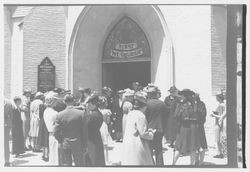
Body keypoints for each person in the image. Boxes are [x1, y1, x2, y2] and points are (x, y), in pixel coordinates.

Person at [54, 94, 88, 166]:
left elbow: (56, 131)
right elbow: (84, 131)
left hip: (65, 142)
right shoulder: (81, 113)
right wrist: (85, 145)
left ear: (64, 102)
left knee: (66, 165)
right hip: (78, 143)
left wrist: (60, 140)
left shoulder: (60, 114)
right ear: (74, 101)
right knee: (79, 164)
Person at [122, 91, 155, 165]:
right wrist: (151, 133)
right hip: (137, 144)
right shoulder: (141, 116)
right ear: (144, 106)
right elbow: (143, 133)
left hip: (128, 142)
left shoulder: (130, 114)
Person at [172, 89, 200, 165]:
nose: (181, 97)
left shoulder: (180, 104)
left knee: (179, 146)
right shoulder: (195, 104)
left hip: (184, 127)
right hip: (192, 127)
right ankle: (192, 165)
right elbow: (198, 116)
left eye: (182, 95)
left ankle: (173, 164)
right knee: (193, 147)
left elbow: (176, 116)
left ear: (185, 96)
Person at [144, 85, 168, 166]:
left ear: (150, 94)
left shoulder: (147, 104)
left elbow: (145, 117)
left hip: (150, 129)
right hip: (160, 129)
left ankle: (150, 165)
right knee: (159, 149)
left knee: (149, 149)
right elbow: (166, 117)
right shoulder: (162, 103)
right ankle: (160, 166)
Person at [86, 93, 105, 166]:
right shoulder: (96, 113)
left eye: (89, 104)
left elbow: (87, 126)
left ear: (93, 104)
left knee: (93, 159)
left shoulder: (93, 115)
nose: (88, 106)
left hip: (91, 139)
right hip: (96, 137)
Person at [43, 91, 60, 165]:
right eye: (56, 100)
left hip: (50, 135)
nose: (57, 102)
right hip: (56, 135)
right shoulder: (55, 113)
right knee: (56, 156)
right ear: (52, 101)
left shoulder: (46, 111)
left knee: (52, 155)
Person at [210, 92, 227, 158]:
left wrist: (213, 114)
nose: (216, 98)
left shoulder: (221, 105)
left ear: (219, 98)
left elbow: (220, 116)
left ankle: (219, 154)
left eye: (217, 97)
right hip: (220, 123)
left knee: (217, 140)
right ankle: (221, 153)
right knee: (219, 139)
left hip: (218, 124)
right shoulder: (222, 104)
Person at [193, 93, 208, 165]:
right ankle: (196, 160)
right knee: (194, 144)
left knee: (202, 144)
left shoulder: (201, 104)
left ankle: (201, 161)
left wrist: (197, 110)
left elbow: (203, 115)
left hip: (199, 126)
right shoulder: (191, 104)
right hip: (193, 126)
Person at [98, 95, 113, 165]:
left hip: (97, 126)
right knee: (105, 144)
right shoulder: (107, 111)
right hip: (103, 126)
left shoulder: (96, 111)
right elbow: (108, 121)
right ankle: (106, 160)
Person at [37, 93, 49, 162]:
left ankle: (44, 154)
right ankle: (46, 155)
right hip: (47, 122)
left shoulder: (41, 105)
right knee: (46, 139)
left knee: (43, 138)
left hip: (42, 122)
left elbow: (40, 115)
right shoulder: (49, 106)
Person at [4, 99, 14, 166]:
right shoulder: (8, 103)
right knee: (5, 143)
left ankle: (7, 161)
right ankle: (7, 161)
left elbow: (11, 116)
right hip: (6, 125)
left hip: (5, 125)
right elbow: (11, 116)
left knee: (5, 143)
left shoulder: (8, 103)